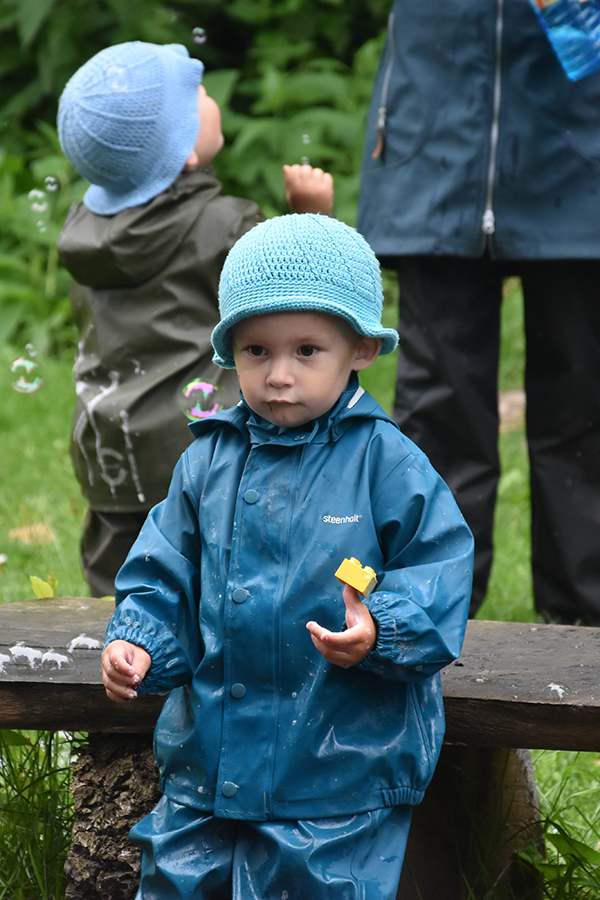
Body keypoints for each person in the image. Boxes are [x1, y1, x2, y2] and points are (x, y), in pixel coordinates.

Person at [101, 213, 474, 900]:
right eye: (255, 352)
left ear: (360, 348)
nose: (278, 376)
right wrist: (140, 642)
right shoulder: (207, 461)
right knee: (177, 883)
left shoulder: (385, 461)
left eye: (307, 351)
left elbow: (438, 568)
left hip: (336, 764)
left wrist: (382, 629)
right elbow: (164, 569)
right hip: (208, 759)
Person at [56, 41, 333, 598]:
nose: (211, 96)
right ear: (181, 150)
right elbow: (292, 298)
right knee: (217, 588)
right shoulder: (222, 225)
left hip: (110, 447)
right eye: (198, 92)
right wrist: (310, 217)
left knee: (119, 596)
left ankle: (118, 673)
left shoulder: (82, 233)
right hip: (205, 449)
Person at [357, 0, 600, 625]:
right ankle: (421, 625)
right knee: (438, 411)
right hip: (436, 142)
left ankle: (585, 635)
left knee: (584, 405)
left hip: (581, 134)